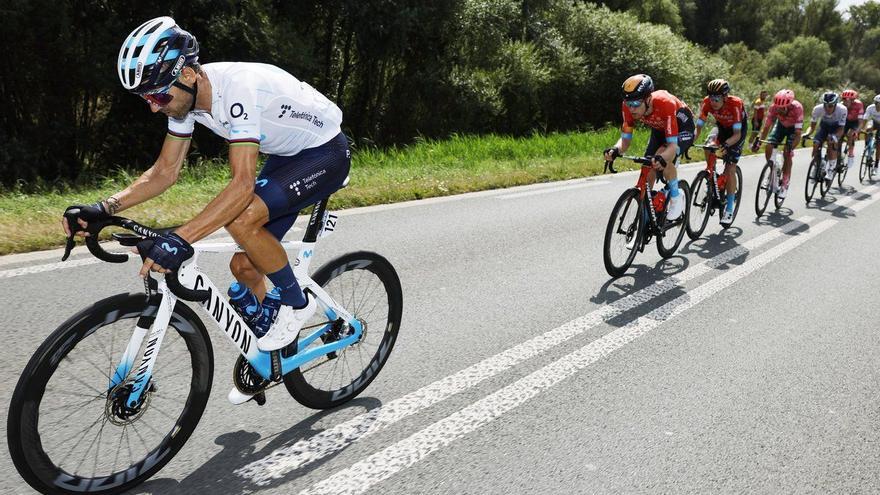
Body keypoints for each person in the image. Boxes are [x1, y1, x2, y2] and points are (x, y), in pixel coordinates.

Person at [61, 16, 351, 355]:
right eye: (145, 98)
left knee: (241, 220)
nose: (154, 107)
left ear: (186, 74)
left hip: (325, 153)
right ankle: (276, 351)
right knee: (243, 266)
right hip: (287, 155)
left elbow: (241, 186)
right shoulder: (184, 100)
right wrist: (105, 207)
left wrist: (180, 238)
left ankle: (297, 304)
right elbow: (165, 172)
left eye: (157, 96)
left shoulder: (239, 90)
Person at [603, 74, 694, 220]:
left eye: (636, 104)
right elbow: (625, 141)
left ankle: (676, 198)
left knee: (662, 156)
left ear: (648, 99)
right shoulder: (627, 107)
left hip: (683, 129)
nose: (631, 109)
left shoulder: (666, 103)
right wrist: (615, 149)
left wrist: (663, 158)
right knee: (647, 165)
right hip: (659, 128)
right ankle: (647, 211)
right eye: (628, 103)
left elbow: (672, 144)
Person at [693, 79, 747, 226]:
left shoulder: (735, 104)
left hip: (737, 132)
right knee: (708, 145)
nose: (713, 102)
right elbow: (698, 126)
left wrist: (726, 145)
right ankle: (712, 172)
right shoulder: (707, 103)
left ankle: (729, 208)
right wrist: (689, 140)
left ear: (725, 97)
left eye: (716, 98)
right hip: (721, 128)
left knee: (730, 169)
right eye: (711, 98)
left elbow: (736, 134)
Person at [751, 89, 804, 199]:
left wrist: (791, 148)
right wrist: (759, 142)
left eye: (782, 108)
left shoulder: (797, 108)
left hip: (793, 129)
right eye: (778, 107)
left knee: (787, 153)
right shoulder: (773, 108)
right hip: (780, 126)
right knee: (769, 145)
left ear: (789, 105)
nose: (779, 110)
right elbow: (766, 127)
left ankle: (785, 182)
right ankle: (772, 172)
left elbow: (798, 134)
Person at [802, 91, 847, 184]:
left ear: (835, 104)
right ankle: (818, 165)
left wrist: (835, 137)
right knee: (815, 144)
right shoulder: (817, 109)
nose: (827, 108)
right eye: (825, 105)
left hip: (836, 128)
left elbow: (842, 129)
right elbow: (812, 126)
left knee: (831, 144)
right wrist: (807, 133)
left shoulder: (842, 110)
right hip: (824, 127)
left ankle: (831, 169)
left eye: (830, 106)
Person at [841, 89, 864, 170]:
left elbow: (861, 122)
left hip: (855, 122)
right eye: (844, 99)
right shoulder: (841, 106)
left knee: (851, 135)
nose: (846, 101)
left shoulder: (859, 105)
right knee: (838, 136)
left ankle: (851, 155)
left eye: (849, 100)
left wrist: (857, 131)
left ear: (853, 100)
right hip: (845, 121)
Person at [859, 94, 880, 173]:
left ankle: (876, 166)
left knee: (878, 145)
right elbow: (865, 119)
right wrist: (862, 129)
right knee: (867, 130)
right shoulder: (870, 108)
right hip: (874, 122)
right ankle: (867, 147)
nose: (878, 106)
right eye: (877, 103)